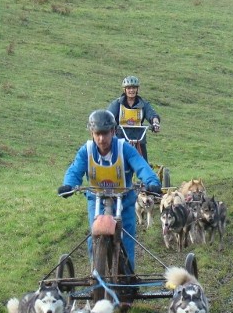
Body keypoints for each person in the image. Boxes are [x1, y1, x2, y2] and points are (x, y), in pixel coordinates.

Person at [58, 109, 161, 272]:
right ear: (92, 132)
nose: (101, 138)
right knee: (94, 238)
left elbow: (141, 166)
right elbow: (75, 170)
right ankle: (96, 276)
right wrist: (69, 185)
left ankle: (127, 281)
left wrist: (151, 182)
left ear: (113, 131)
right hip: (96, 200)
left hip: (124, 201)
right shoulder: (86, 151)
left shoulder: (124, 149)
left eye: (105, 133)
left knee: (125, 239)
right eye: (97, 133)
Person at [106, 75, 160, 160]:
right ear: (125, 90)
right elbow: (108, 116)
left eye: (134, 88)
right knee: (117, 161)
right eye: (129, 88)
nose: (131, 90)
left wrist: (155, 123)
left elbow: (152, 114)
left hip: (139, 137)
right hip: (121, 137)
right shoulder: (117, 104)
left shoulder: (143, 104)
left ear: (137, 89)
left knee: (143, 163)